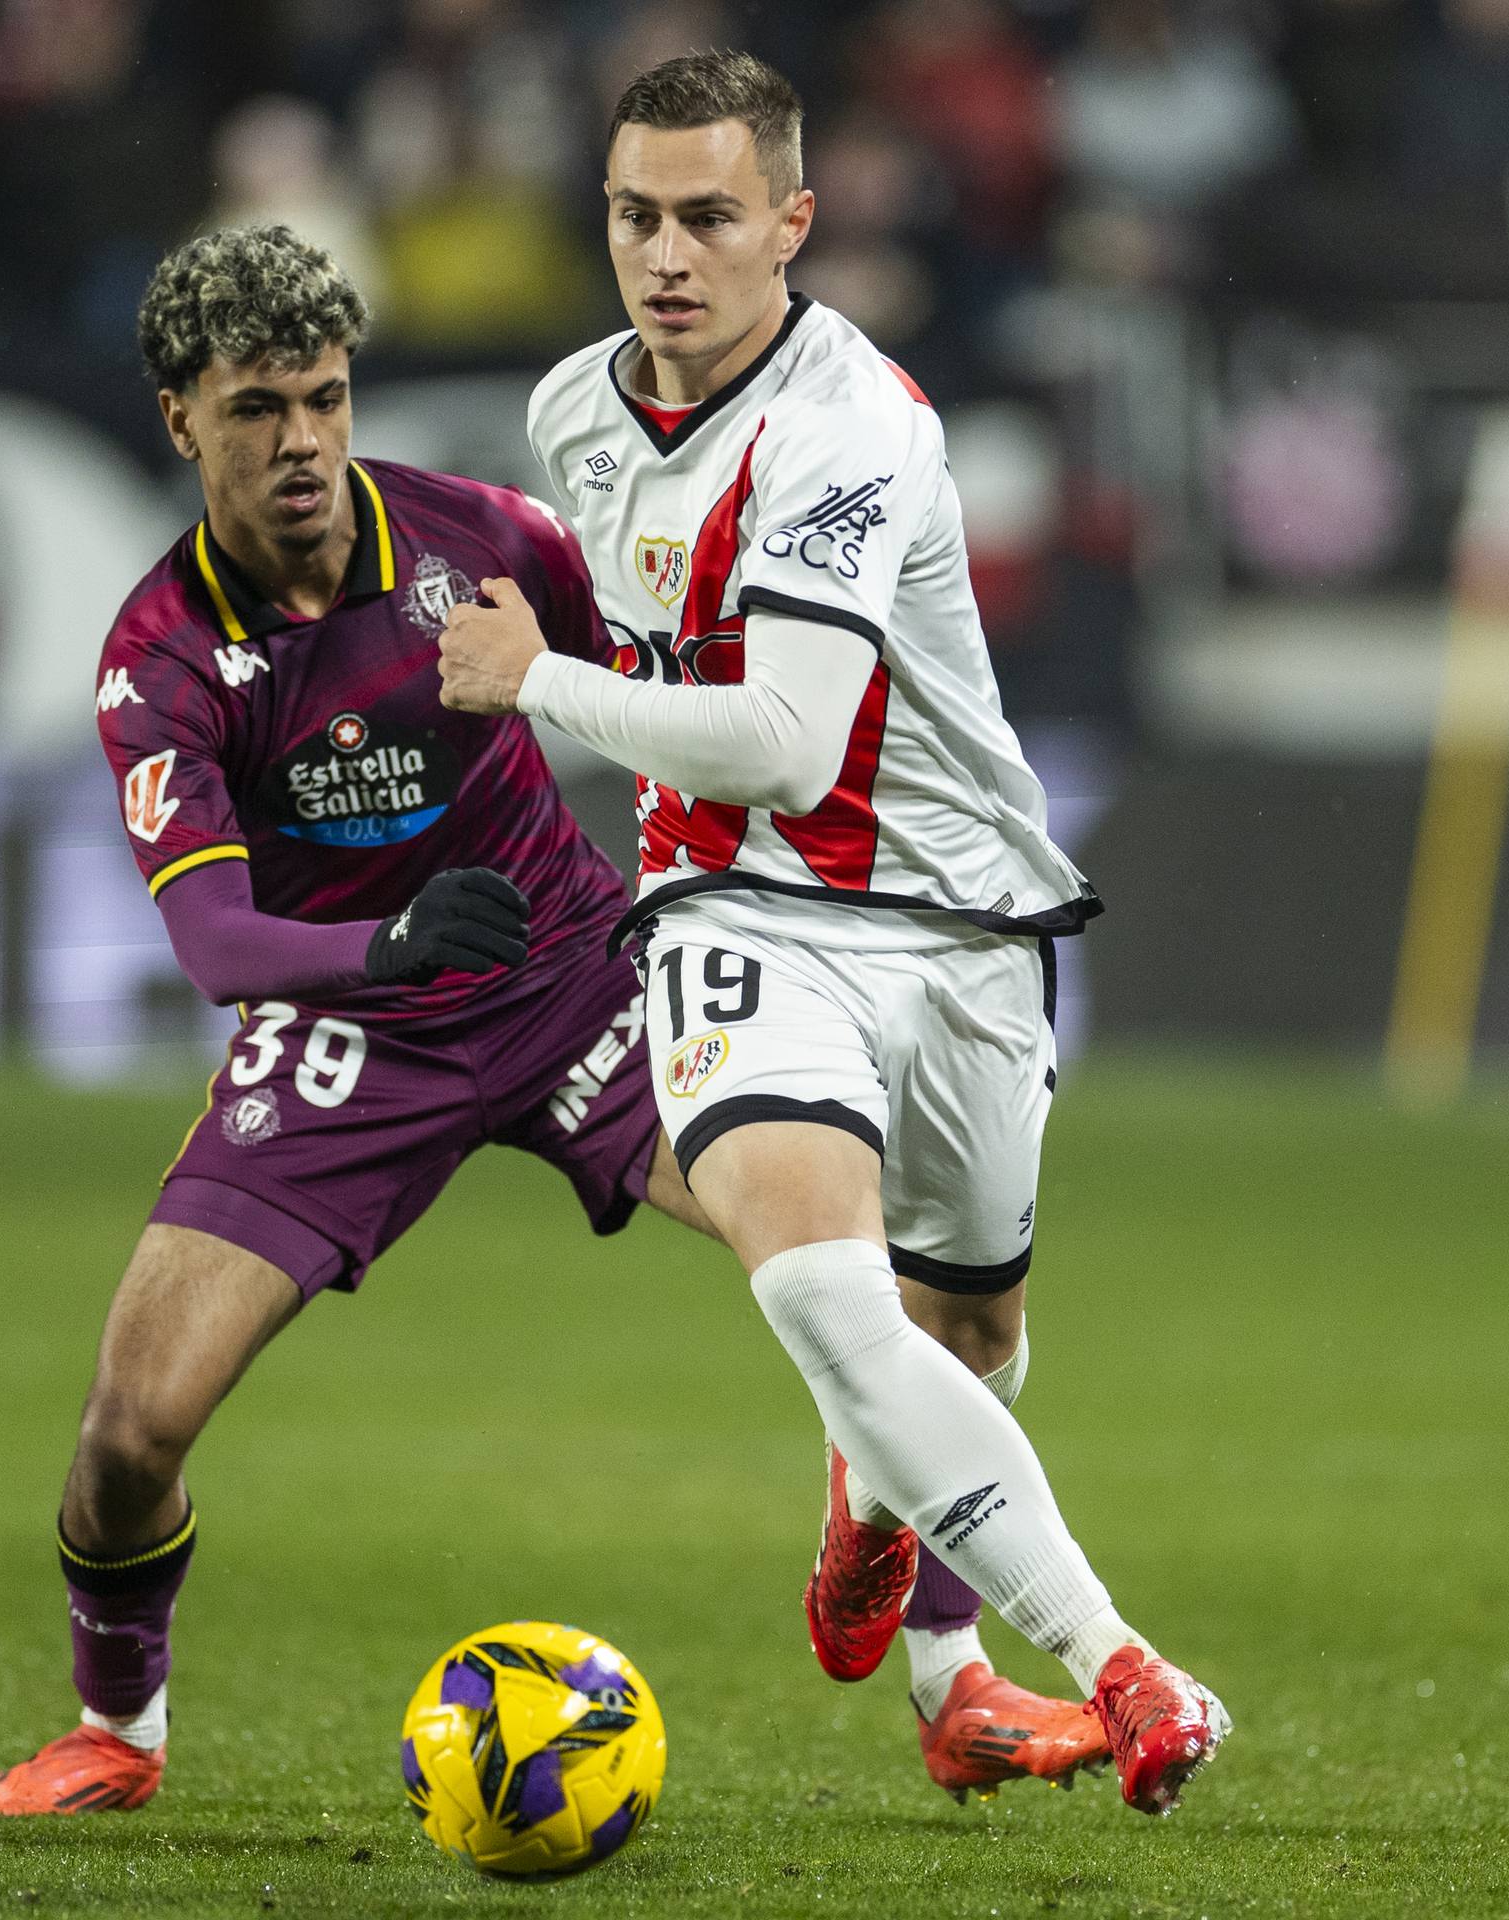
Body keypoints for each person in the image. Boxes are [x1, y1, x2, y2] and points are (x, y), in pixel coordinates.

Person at [436, 50, 1229, 1815]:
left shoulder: (849, 426)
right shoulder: (576, 410)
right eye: (635, 214)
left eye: (709, 216)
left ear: (792, 223)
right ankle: (1119, 1667)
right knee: (817, 1285)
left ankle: (877, 1524)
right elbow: (638, 655)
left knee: (970, 1341)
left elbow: (791, 740)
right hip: (733, 913)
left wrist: (536, 685)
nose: (666, 253)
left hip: (952, 914)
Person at [0, 222, 708, 1817]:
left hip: (570, 973)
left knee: (853, 1261)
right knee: (126, 1431)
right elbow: (219, 940)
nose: (299, 440)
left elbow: (653, 693)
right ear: (181, 419)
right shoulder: (160, 658)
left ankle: (946, 1673)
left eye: (323, 398)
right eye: (254, 409)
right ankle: (119, 1734)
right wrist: (384, 945)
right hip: (353, 1027)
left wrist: (689, 886)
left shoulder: (482, 536)